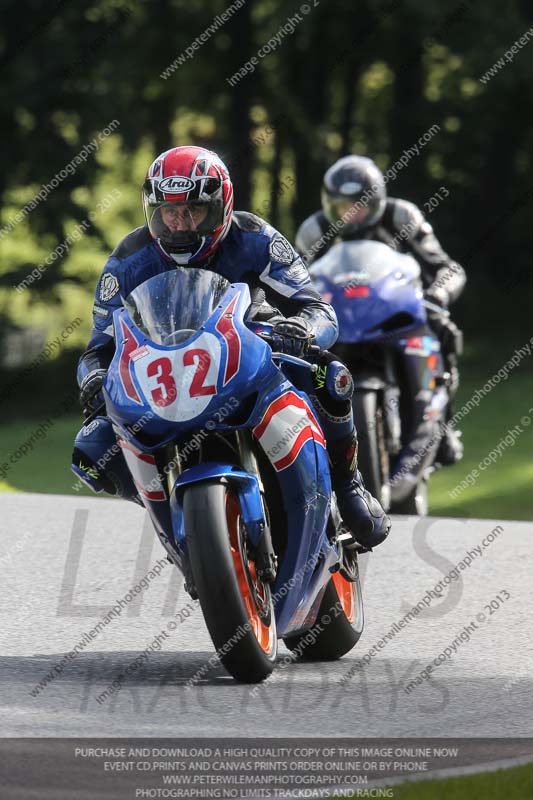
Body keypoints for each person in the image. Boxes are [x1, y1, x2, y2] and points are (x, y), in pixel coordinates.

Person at [73, 145, 390, 549]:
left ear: (221, 206)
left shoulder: (254, 237)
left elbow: (317, 308)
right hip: (166, 375)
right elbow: (97, 348)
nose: (180, 224)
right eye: (169, 212)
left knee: (332, 375)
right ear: (151, 210)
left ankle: (350, 488)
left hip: (256, 349)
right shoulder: (128, 260)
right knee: (91, 446)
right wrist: (94, 378)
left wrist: (301, 328)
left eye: (193, 210)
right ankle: (169, 521)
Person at [296, 154, 466, 465]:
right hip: (341, 318)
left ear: (377, 200)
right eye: (342, 205)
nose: (351, 213)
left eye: (359, 204)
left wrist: (438, 294)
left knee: (444, 328)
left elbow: (445, 266)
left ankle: (445, 422)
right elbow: (295, 282)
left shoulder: (402, 217)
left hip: (397, 313)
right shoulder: (314, 231)